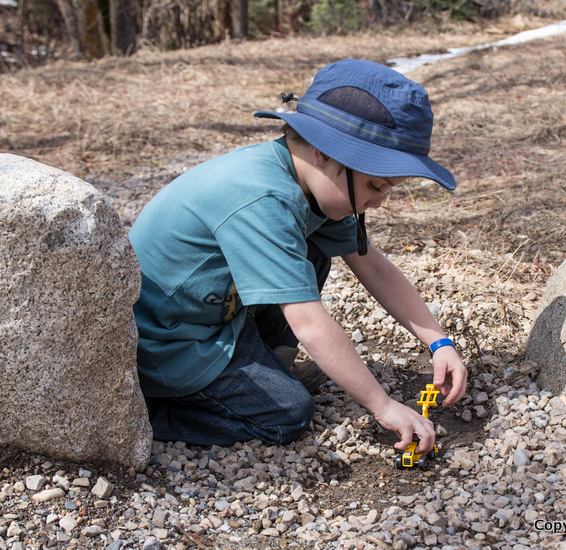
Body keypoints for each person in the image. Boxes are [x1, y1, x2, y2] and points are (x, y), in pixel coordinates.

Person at [129, 58, 468, 456]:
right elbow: (307, 321)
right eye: (376, 185)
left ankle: (265, 364)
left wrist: (439, 342)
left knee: (313, 252)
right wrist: (383, 405)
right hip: (169, 344)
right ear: (326, 152)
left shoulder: (307, 180)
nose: (378, 201)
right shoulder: (262, 198)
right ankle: (146, 413)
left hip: (214, 315)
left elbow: (371, 264)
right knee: (287, 413)